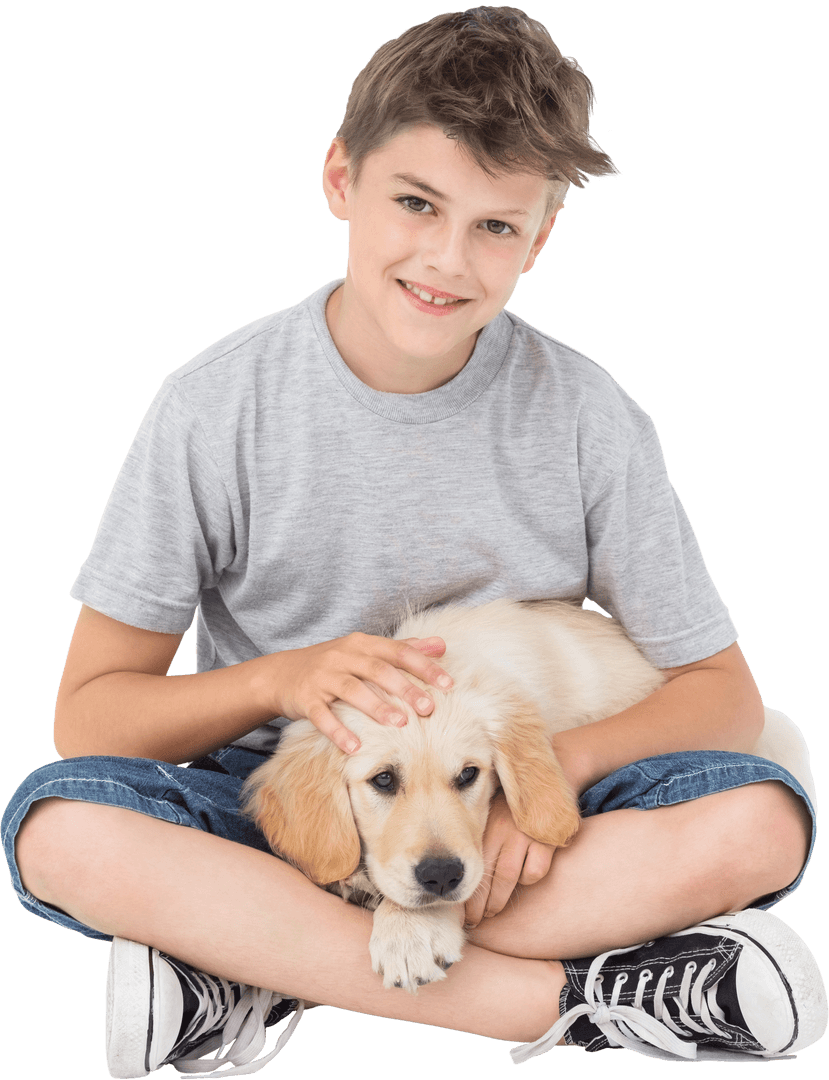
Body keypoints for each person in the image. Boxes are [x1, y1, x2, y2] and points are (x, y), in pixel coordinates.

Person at [2, 5, 825, 1076]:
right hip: (280, 811)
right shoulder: (212, 407)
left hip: (516, 806)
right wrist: (282, 682)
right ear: (341, 180)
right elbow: (90, 717)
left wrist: (543, 783)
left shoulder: (588, 417)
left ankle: (250, 960)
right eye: (415, 203)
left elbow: (720, 693)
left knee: (762, 821)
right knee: (54, 830)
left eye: (494, 225)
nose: (446, 257)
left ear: (539, 237)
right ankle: (580, 997)